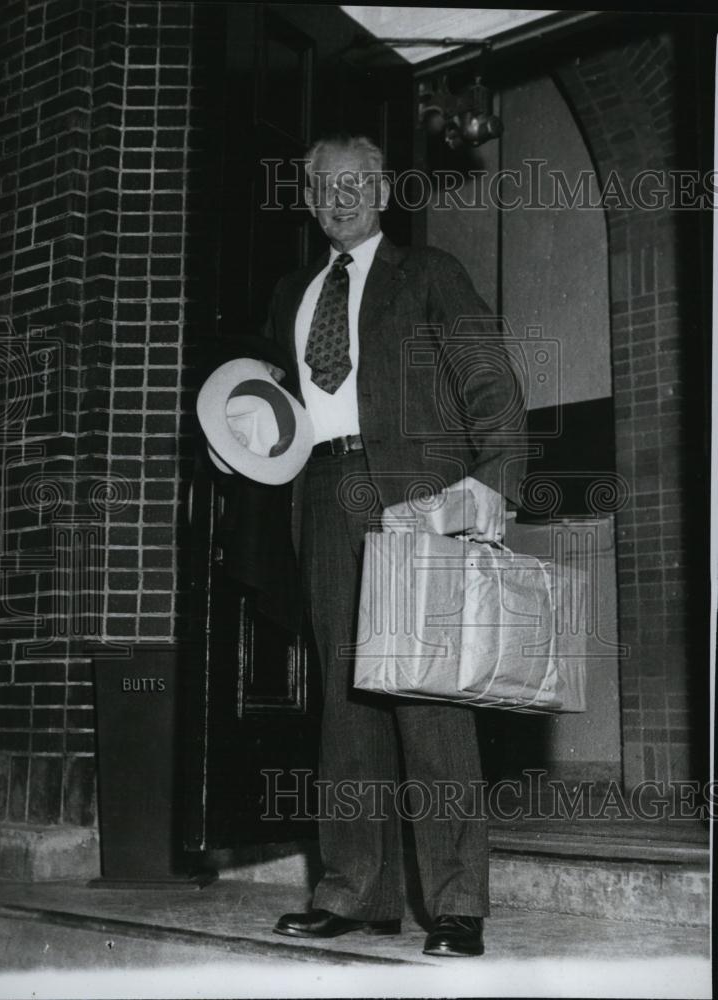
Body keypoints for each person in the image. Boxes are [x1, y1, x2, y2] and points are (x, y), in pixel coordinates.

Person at [263, 133, 526, 957]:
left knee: (427, 699)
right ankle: (353, 891)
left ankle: (456, 903)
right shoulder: (291, 294)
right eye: (322, 187)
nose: (338, 198)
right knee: (345, 700)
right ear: (307, 199)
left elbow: (487, 375)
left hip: (416, 500)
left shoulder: (429, 273)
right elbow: (269, 403)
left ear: (380, 190)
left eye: (354, 184)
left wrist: (493, 481)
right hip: (320, 495)